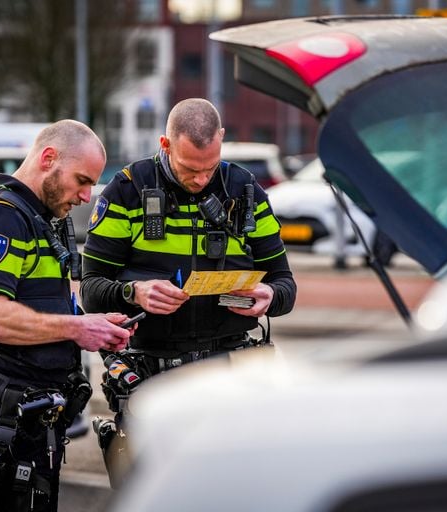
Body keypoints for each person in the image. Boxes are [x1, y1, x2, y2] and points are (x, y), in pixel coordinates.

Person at [80, 98, 297, 484]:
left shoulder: (245, 191)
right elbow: (91, 290)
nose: (200, 180)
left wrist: (271, 297)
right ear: (165, 145)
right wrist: (134, 292)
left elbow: (285, 283)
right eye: (189, 169)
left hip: (230, 376)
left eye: (209, 168)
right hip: (152, 372)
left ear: (222, 140)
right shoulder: (127, 191)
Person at [0, 119, 135, 512]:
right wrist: (78, 328)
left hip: (32, 419)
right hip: (5, 419)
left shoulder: (44, 220)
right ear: (48, 158)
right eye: (82, 180)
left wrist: (98, 326)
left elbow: (51, 303)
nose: (87, 195)